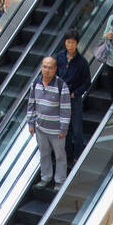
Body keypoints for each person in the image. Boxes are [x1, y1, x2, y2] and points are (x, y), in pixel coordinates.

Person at [27, 55, 70, 189]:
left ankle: (60, 180)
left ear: (55, 69)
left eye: (50, 68)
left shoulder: (61, 85)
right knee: (44, 154)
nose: (47, 70)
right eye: (44, 67)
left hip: (56, 130)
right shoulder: (35, 84)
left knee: (60, 156)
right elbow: (31, 104)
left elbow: (65, 109)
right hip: (40, 128)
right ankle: (45, 177)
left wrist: (63, 128)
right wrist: (31, 123)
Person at [56, 29, 90, 165]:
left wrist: (75, 93)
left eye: (73, 43)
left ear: (77, 44)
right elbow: (55, 75)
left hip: (74, 99)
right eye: (68, 42)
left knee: (77, 129)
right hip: (61, 98)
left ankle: (78, 155)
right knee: (65, 129)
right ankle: (68, 154)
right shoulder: (59, 57)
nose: (70, 45)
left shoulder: (82, 62)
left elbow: (87, 82)